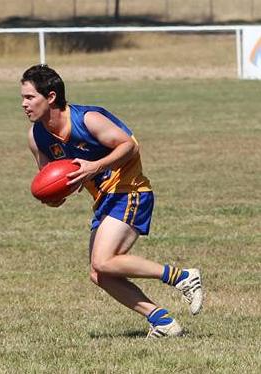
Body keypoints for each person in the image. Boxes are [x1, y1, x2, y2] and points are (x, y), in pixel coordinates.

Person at [20, 64, 203, 338]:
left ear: (52, 97)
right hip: (104, 200)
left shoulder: (88, 119)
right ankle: (163, 321)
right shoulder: (37, 137)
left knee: (104, 261)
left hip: (130, 190)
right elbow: (51, 182)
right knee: (99, 274)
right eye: (22, 98)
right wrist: (53, 198)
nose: (24, 104)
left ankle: (182, 277)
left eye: (30, 97)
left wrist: (95, 166)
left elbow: (129, 145)